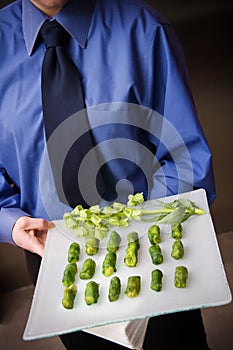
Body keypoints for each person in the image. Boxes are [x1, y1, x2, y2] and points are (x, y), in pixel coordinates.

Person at [0, 0, 215, 349]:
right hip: (56, 261)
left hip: (153, 250)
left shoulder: (144, 28)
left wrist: (143, 240)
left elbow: (185, 159)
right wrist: (9, 223)